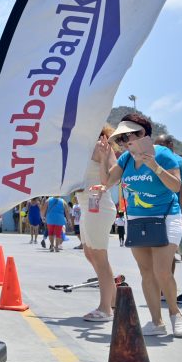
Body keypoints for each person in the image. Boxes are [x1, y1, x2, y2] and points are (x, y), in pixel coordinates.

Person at [97, 113, 182, 337]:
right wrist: (104, 157)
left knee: (162, 271)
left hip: (165, 217)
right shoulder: (126, 159)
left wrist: (154, 166)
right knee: (146, 272)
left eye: (131, 135)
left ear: (144, 134)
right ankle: (157, 323)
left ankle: (175, 314)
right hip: (137, 220)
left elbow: (176, 186)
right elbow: (107, 182)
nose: (127, 141)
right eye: (122, 138)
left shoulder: (164, 154)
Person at [77, 125, 119, 322]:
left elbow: (112, 177)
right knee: (90, 254)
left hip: (99, 206)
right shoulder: (80, 147)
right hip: (87, 206)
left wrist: (103, 158)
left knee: (100, 258)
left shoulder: (102, 146)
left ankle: (105, 309)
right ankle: (114, 300)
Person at [155, 134, 182, 304]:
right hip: (165, 215)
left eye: (161, 145)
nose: (158, 149)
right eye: (156, 146)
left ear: (170, 145)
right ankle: (167, 290)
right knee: (168, 255)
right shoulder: (159, 164)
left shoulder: (181, 164)